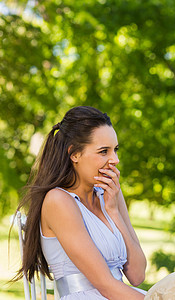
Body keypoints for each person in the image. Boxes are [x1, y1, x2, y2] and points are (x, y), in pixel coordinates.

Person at [13, 106, 147, 299]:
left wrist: (113, 212)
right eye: (103, 151)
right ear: (74, 154)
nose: (115, 159)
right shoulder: (58, 201)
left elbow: (137, 275)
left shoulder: (111, 194)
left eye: (115, 150)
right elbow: (106, 285)